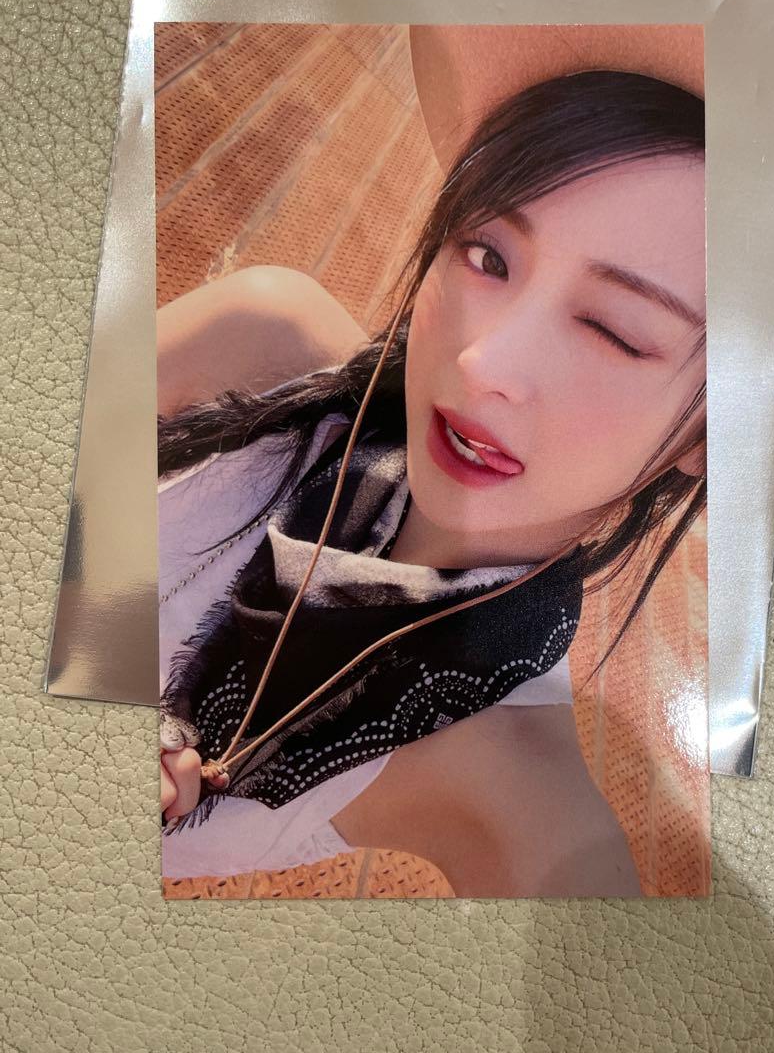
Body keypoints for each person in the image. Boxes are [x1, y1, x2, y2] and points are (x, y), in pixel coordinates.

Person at [157, 67, 706, 898]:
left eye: (613, 330)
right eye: (488, 255)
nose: (482, 363)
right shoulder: (260, 344)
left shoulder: (515, 791)